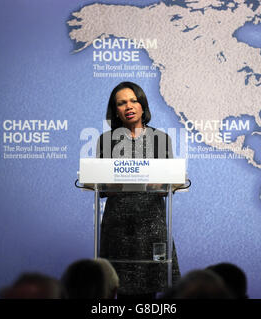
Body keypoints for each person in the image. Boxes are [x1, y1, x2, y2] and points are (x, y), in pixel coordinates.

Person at [96, 81, 180, 299]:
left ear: (143, 105)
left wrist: (159, 183)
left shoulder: (161, 139)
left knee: (148, 288)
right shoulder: (106, 141)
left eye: (133, 101)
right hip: (118, 225)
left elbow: (168, 184)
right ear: (115, 110)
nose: (129, 106)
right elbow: (101, 186)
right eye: (122, 103)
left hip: (150, 223)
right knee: (117, 288)